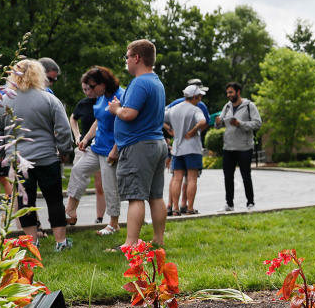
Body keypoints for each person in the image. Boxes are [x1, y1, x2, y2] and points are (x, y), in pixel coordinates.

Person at [0, 59, 75, 250]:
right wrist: (64, 150)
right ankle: (60, 242)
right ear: (40, 75)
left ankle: (32, 242)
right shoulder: (49, 99)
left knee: (24, 200)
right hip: (47, 157)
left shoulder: (3, 100)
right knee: (54, 199)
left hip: (18, 159)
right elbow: (63, 129)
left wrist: (1, 153)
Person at [108, 39, 168, 247]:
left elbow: (129, 113)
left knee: (136, 197)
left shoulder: (140, 82)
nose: (126, 61)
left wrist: (116, 109)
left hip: (139, 146)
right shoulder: (156, 82)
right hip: (156, 143)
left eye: (127, 57)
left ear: (137, 58)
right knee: (156, 196)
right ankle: (157, 240)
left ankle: (131, 244)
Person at [66, 66, 124, 236]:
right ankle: (71, 210)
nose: (89, 91)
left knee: (109, 186)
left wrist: (116, 149)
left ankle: (113, 224)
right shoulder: (100, 98)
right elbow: (98, 121)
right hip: (96, 147)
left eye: (91, 86)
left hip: (110, 151)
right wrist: (85, 138)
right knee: (78, 170)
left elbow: (126, 125)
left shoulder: (120, 96)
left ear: (103, 83)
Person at [214, 81, 261, 211]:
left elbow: (257, 123)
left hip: (244, 148)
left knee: (246, 176)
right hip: (228, 148)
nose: (228, 95)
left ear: (238, 92)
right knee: (228, 177)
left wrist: (240, 124)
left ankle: (250, 203)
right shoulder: (227, 107)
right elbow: (220, 125)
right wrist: (218, 122)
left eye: (231, 92)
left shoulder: (249, 106)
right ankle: (229, 204)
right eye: (227, 93)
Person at [164, 84, 207, 215]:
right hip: (192, 148)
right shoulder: (195, 110)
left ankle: (175, 209)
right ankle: (190, 208)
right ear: (193, 97)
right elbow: (203, 121)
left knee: (177, 178)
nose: (200, 99)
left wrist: (168, 129)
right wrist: (193, 130)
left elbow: (158, 117)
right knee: (192, 178)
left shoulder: (173, 109)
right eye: (199, 96)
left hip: (177, 148)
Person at [70, 90, 105, 224]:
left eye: (90, 88)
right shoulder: (83, 104)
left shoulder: (104, 101)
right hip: (83, 148)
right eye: (84, 89)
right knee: (77, 179)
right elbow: (73, 118)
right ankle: (71, 214)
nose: (88, 91)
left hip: (101, 148)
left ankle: (99, 218)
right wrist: (77, 135)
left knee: (100, 185)